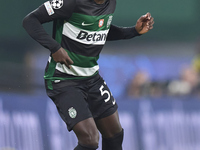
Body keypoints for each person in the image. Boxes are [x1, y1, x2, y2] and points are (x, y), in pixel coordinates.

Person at [23, 0, 154, 149]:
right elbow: (30, 20)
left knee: (115, 133)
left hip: (92, 78)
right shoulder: (70, 3)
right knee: (90, 139)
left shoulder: (110, 3)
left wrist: (134, 31)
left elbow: (99, 28)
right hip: (64, 79)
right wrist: (55, 48)